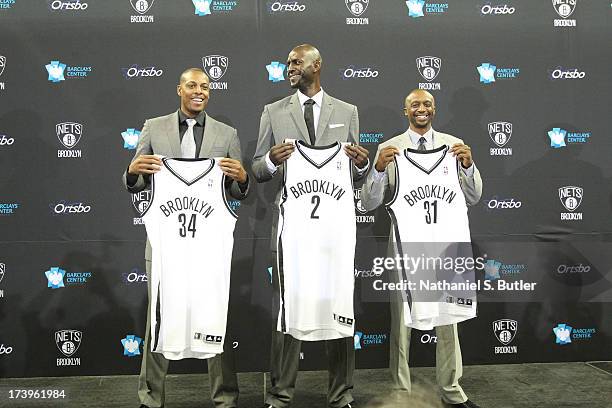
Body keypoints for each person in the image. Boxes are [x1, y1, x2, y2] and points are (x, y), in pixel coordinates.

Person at [123, 67, 249, 408]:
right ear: (179, 88)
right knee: (160, 317)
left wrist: (242, 177)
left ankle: (225, 398)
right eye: (192, 85)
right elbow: (137, 177)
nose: (199, 91)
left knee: (214, 314)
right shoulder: (154, 126)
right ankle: (150, 399)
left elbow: (236, 193)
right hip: (166, 245)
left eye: (205, 87)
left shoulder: (227, 133)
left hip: (209, 246)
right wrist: (132, 173)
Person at [252, 44, 369, 408]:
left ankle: (341, 395)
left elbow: (354, 172)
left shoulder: (347, 111)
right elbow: (256, 168)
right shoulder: (273, 111)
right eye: (288, 62)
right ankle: (279, 395)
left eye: (295, 62)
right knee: (289, 312)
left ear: (316, 65)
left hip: (334, 233)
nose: (289, 67)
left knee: (339, 309)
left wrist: (363, 165)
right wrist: (271, 160)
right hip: (293, 232)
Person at [360, 89, 482, 408]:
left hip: (445, 246)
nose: (421, 108)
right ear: (405, 111)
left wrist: (469, 167)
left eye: (427, 104)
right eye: (415, 104)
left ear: (434, 108)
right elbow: (368, 201)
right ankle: (401, 391)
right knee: (401, 323)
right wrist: (375, 170)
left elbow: (473, 196)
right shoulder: (390, 148)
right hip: (405, 248)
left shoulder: (453, 146)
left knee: (448, 318)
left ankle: (452, 390)